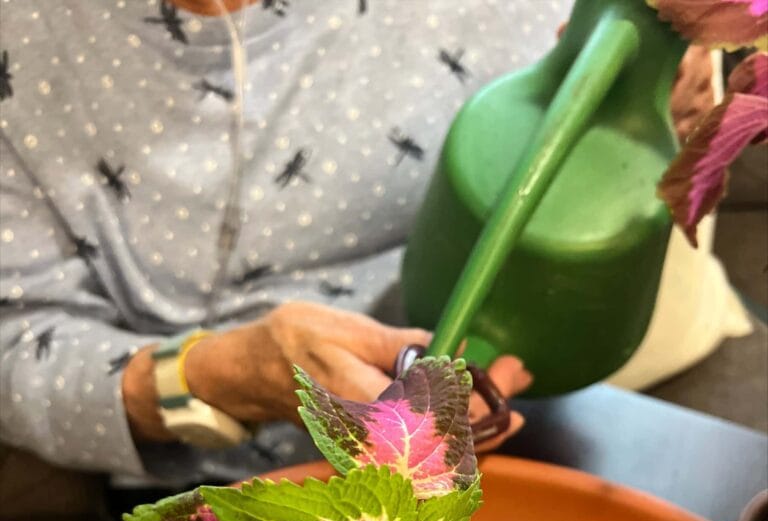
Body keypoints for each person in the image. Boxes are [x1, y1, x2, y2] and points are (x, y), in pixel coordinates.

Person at [1, 0, 716, 489]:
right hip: (215, 489)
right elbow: (18, 338)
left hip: (497, 439)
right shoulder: (27, 43)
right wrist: (220, 375)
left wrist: (658, 123)